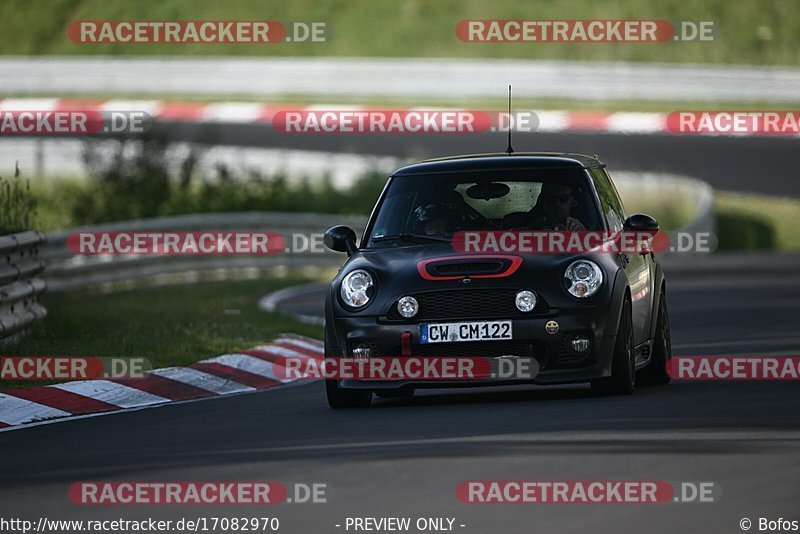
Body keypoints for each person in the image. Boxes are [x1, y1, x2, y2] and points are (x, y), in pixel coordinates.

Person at [519, 182, 586, 231]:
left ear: (573, 200)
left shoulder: (586, 225)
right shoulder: (527, 224)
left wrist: (582, 235)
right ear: (543, 200)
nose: (557, 204)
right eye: (550, 199)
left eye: (563, 198)